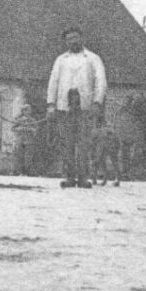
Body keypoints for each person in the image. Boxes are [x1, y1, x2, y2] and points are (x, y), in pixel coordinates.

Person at [45, 27, 106, 189]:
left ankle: (83, 178)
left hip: (85, 108)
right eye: (69, 39)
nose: (73, 41)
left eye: (75, 37)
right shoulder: (61, 60)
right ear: (66, 41)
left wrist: (97, 102)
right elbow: (53, 82)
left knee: (84, 144)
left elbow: (101, 82)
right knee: (67, 144)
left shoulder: (93, 59)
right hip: (64, 109)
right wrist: (51, 104)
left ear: (82, 38)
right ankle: (70, 177)